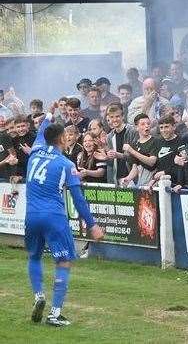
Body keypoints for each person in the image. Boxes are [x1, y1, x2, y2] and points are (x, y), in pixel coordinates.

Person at [24, 103, 104, 327]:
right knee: (64, 261)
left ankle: (38, 295)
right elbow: (78, 199)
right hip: (54, 216)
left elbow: (42, 130)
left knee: (34, 256)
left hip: (31, 215)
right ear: (62, 140)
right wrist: (92, 225)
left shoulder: (35, 151)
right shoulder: (66, 164)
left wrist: (49, 113)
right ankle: (55, 313)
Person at [119, 114, 158, 187]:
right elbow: (135, 168)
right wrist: (127, 179)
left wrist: (131, 151)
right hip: (141, 183)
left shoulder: (155, 141)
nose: (147, 126)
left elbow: (152, 162)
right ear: (136, 127)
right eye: (143, 124)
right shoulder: (135, 144)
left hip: (153, 183)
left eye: (148, 124)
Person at [104, 103, 138, 184]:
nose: (115, 120)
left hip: (132, 178)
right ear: (108, 118)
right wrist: (106, 157)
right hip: (117, 179)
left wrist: (119, 155)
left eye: (117, 116)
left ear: (123, 117)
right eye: (112, 117)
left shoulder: (132, 131)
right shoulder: (109, 136)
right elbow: (111, 163)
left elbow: (136, 158)